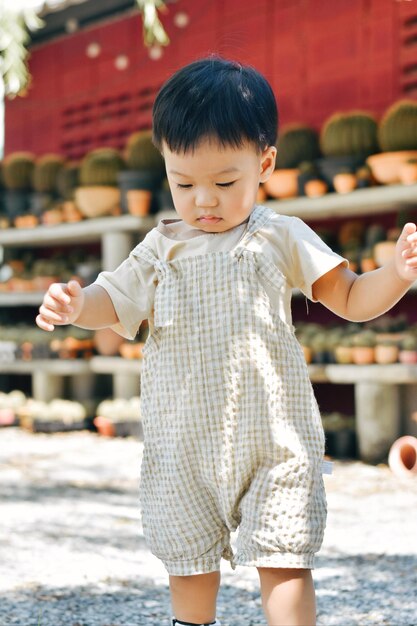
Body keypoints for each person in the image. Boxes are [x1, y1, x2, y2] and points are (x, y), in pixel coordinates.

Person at [36, 56, 417, 626]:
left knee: (285, 558)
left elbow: (353, 297)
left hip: (272, 441)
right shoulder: (159, 249)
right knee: (188, 565)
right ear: (165, 164)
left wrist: (398, 274)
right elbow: (112, 301)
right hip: (182, 445)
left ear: (264, 164)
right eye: (183, 183)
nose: (204, 201)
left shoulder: (279, 235)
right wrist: (76, 307)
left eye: (224, 182)